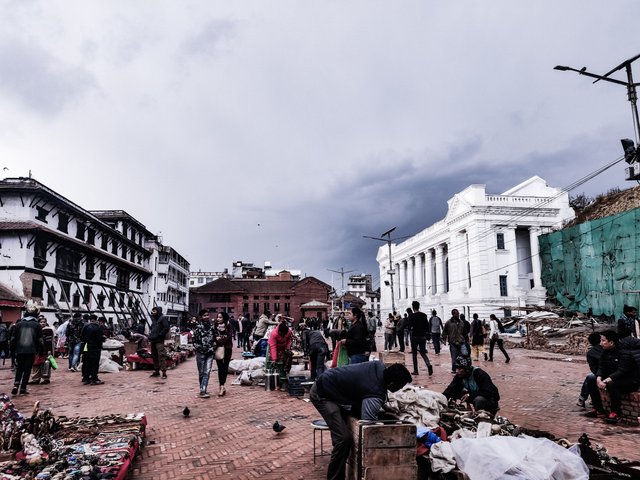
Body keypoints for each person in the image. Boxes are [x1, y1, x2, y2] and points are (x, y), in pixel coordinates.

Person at [310, 361, 412, 480]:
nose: (400, 389)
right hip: (322, 394)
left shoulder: (379, 366)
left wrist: (383, 406)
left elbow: (371, 387)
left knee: (344, 428)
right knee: (343, 439)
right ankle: (334, 477)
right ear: (393, 384)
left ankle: (341, 459)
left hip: (333, 386)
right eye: (400, 386)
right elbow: (368, 424)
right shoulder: (374, 395)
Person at [584, 330, 640, 424]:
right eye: (600, 340)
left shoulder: (624, 353)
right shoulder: (605, 352)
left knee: (611, 384)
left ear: (611, 342)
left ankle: (615, 413)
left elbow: (622, 371)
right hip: (614, 378)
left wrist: (606, 380)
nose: (601, 343)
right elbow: (602, 367)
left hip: (630, 380)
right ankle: (599, 409)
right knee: (591, 379)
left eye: (603, 341)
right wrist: (598, 378)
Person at [11, 304, 42, 395]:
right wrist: (41, 351)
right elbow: (40, 340)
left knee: (19, 368)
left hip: (20, 350)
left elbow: (13, 339)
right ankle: (23, 388)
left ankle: (16, 385)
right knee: (27, 369)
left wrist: (13, 351)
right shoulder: (37, 325)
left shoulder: (19, 324)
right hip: (31, 350)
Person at [192, 309, 216, 398]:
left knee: (207, 372)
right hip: (200, 353)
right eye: (204, 315)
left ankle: (203, 390)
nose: (206, 317)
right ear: (201, 317)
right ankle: (202, 388)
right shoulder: (198, 327)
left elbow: (215, 338)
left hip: (210, 353)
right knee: (201, 372)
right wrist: (199, 348)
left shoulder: (212, 327)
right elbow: (194, 341)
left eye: (207, 315)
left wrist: (213, 347)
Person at [577, 332, 603, 408]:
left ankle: (582, 399)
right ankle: (584, 399)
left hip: (603, 374)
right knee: (590, 377)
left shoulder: (592, 353)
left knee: (590, 377)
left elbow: (594, 369)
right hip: (603, 373)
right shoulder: (604, 349)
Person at [408, 301, 434, 376]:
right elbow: (427, 326)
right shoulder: (424, 315)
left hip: (415, 336)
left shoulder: (412, 316)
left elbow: (409, 327)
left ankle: (416, 370)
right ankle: (428, 364)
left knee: (414, 354)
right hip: (423, 337)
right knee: (423, 353)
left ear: (413, 307)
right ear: (419, 307)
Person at [442, 309, 470, 373]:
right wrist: (444, 339)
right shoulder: (448, 322)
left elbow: (465, 332)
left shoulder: (461, 322)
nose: (457, 315)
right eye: (456, 313)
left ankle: (464, 368)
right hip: (453, 342)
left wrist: (467, 339)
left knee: (464, 354)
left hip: (461, 341)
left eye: (458, 313)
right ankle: (454, 369)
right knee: (454, 356)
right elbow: (444, 331)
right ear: (453, 314)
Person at [80, 314, 105, 385]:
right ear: (96, 319)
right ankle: (94, 378)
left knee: (86, 362)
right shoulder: (98, 328)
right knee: (94, 363)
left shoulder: (85, 327)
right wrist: (103, 338)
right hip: (95, 348)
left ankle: (85, 378)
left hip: (86, 347)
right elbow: (99, 338)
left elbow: (82, 337)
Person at [213, 312, 233, 397]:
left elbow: (229, 336)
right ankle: (221, 386)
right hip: (218, 349)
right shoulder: (214, 326)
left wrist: (220, 340)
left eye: (220, 317)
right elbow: (213, 336)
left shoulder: (228, 325)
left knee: (225, 367)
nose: (218, 319)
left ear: (224, 318)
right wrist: (217, 340)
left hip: (228, 348)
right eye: (218, 317)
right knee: (220, 368)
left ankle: (222, 386)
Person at [30, 316, 54, 385]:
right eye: (41, 322)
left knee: (46, 364)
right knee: (35, 365)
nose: (42, 323)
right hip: (37, 350)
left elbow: (49, 342)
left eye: (44, 322)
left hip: (45, 350)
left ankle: (46, 378)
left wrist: (49, 351)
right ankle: (35, 379)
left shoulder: (48, 330)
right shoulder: (35, 329)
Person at [268, 318, 293, 387]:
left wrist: (288, 348)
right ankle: (278, 379)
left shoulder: (288, 332)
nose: (282, 335)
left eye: (284, 334)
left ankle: (286, 373)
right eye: (281, 334)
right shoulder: (273, 334)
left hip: (284, 348)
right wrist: (274, 359)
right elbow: (273, 346)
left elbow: (289, 340)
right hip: (276, 348)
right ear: (279, 331)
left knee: (288, 358)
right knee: (276, 363)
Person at [148, 306, 170, 379]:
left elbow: (166, 328)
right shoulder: (154, 319)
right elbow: (152, 328)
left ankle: (164, 372)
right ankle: (156, 370)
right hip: (153, 340)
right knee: (154, 356)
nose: (153, 312)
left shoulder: (162, 318)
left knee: (161, 355)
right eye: (152, 311)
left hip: (159, 340)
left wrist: (160, 335)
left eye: (155, 311)